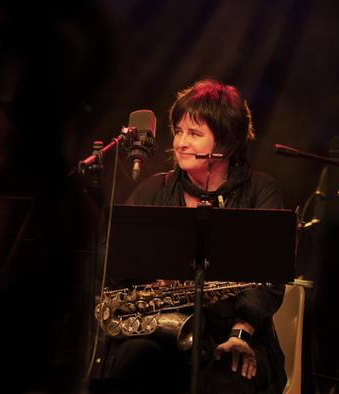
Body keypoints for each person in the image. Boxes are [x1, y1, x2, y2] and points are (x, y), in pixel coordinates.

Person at [95, 79, 287, 393]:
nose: (181, 142)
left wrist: (240, 334)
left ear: (225, 143)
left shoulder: (261, 191)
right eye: (179, 131)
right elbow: (109, 259)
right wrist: (152, 270)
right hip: (159, 329)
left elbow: (268, 278)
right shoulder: (153, 189)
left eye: (194, 134)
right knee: (132, 362)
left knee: (232, 381)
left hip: (233, 331)